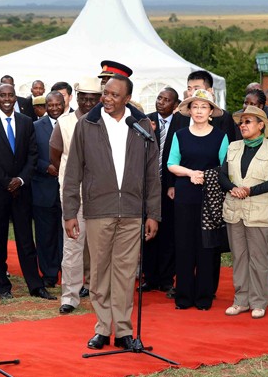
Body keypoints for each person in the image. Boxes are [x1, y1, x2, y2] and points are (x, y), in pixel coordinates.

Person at [63, 74, 160, 350]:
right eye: (105, 93)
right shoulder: (87, 124)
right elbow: (73, 173)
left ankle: (124, 330)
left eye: (114, 95)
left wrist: (153, 213)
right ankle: (103, 329)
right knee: (100, 271)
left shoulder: (140, 125)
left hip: (132, 211)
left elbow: (153, 173)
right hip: (98, 210)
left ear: (127, 98)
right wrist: (70, 212)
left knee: (125, 272)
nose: (107, 98)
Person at [0, 83, 55, 301]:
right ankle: (1, 285)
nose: (8, 99)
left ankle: (35, 285)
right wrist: (6, 181)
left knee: (26, 240)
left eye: (11, 95)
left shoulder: (26, 122)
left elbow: (32, 154)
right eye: (3, 95)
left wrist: (20, 180)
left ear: (16, 98)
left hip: (22, 191)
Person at [220, 105, 268, 319]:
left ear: (261, 125)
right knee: (239, 257)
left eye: (248, 121)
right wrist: (232, 188)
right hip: (234, 210)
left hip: (259, 212)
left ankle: (258, 302)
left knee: (258, 258)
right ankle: (241, 300)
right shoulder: (233, 146)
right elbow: (222, 175)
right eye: (241, 122)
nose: (242, 125)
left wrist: (249, 190)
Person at [168, 89, 228, 310]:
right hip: (185, 194)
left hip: (210, 197)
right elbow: (171, 164)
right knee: (184, 244)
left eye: (204, 107)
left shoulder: (221, 137)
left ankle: (204, 297)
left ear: (211, 111)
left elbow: (225, 167)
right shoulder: (180, 135)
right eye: (195, 107)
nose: (199, 111)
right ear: (189, 111)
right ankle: (183, 296)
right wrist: (190, 173)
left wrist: (206, 176)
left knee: (206, 246)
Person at [51, 77, 102, 314]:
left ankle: (96, 289)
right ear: (77, 97)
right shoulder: (64, 122)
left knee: (99, 246)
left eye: (94, 99)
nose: (89, 103)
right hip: (73, 194)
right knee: (72, 245)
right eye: (84, 98)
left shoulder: (108, 121)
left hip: (102, 195)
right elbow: (55, 154)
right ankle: (70, 296)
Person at [237, 89, 268, 300]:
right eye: (245, 102)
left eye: (253, 103)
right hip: (239, 198)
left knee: (266, 243)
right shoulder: (239, 126)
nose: (248, 106)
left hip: (266, 197)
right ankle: (246, 289)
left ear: (263, 107)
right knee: (243, 248)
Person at [142, 87, 185, 297]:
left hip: (170, 188)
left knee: (168, 234)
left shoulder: (182, 124)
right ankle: (149, 278)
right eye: (159, 98)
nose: (161, 102)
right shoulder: (145, 120)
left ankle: (166, 279)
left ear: (175, 105)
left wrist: (175, 184)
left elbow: (183, 156)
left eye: (167, 100)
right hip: (147, 186)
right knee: (149, 232)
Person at [32, 91, 65, 288]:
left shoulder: (73, 124)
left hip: (68, 190)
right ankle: (49, 274)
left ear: (64, 103)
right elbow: (30, 154)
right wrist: (46, 167)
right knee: (45, 235)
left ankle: (68, 272)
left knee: (68, 235)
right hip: (43, 189)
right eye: (50, 105)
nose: (54, 108)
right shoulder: (35, 127)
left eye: (57, 104)